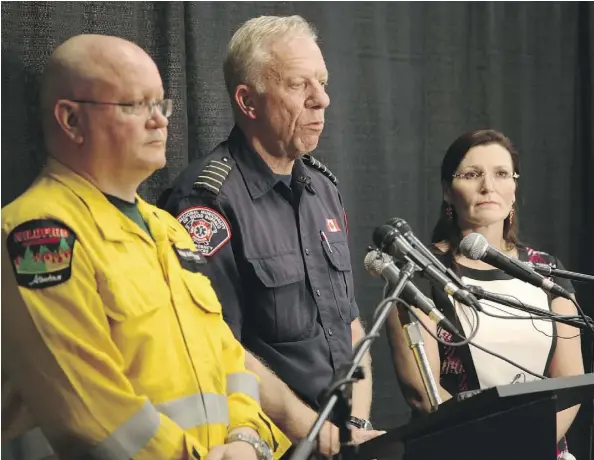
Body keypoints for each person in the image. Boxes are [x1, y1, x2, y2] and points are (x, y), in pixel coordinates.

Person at [1, 34, 291, 460]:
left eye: (161, 105)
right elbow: (90, 412)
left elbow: (229, 359)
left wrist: (246, 438)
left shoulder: (167, 230)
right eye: (135, 105)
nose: (159, 121)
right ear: (71, 120)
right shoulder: (38, 235)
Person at [158, 15, 381, 456]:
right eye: (300, 86)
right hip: (270, 444)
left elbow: (349, 324)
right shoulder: (205, 203)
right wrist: (322, 437)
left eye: (323, 82)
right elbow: (220, 353)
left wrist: (354, 424)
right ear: (248, 101)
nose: (323, 100)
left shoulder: (323, 189)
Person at [386, 129, 584, 458]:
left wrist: (527, 448)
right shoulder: (417, 272)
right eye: (472, 174)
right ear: (448, 191)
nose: (488, 186)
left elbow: (570, 382)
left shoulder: (549, 272)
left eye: (501, 174)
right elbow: (425, 394)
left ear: (514, 188)